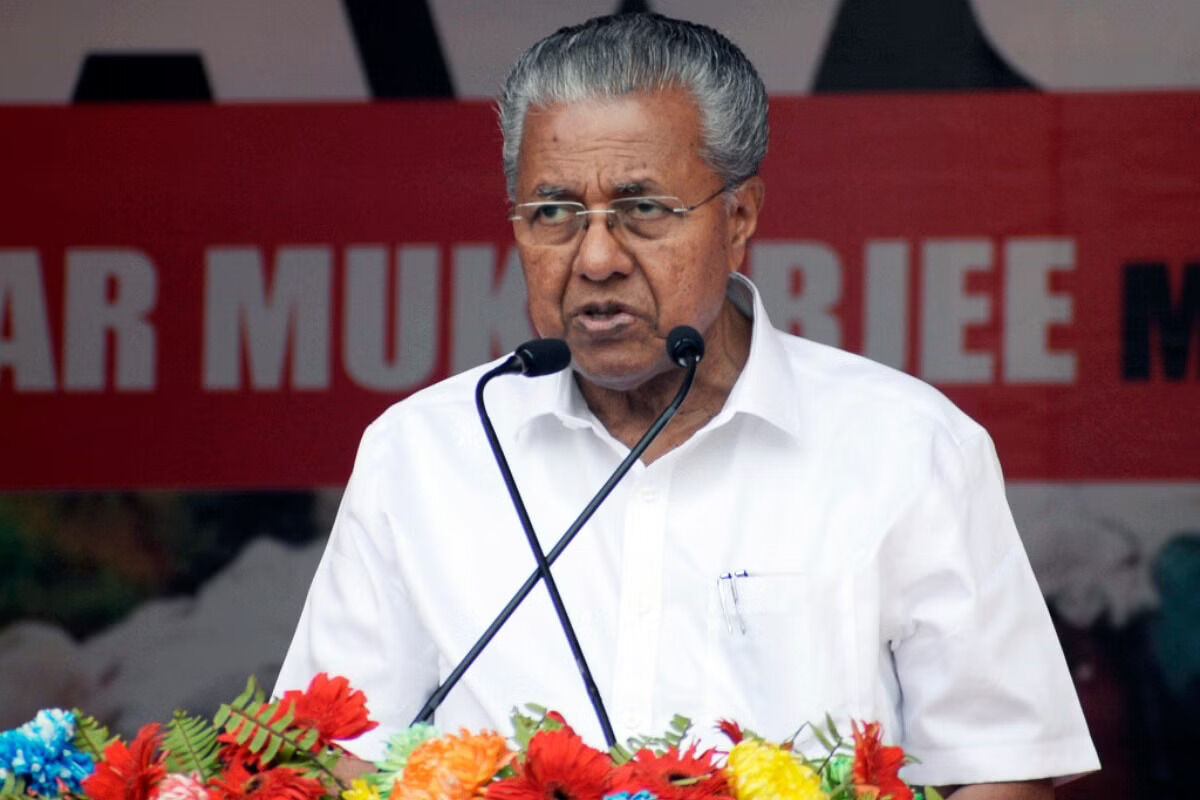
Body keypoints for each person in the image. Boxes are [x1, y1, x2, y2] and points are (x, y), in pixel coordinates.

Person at [275, 13, 1098, 797]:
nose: (596, 258)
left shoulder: (907, 447)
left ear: (739, 218)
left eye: (643, 210)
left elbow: (1003, 767)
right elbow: (329, 760)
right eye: (554, 213)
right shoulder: (422, 455)